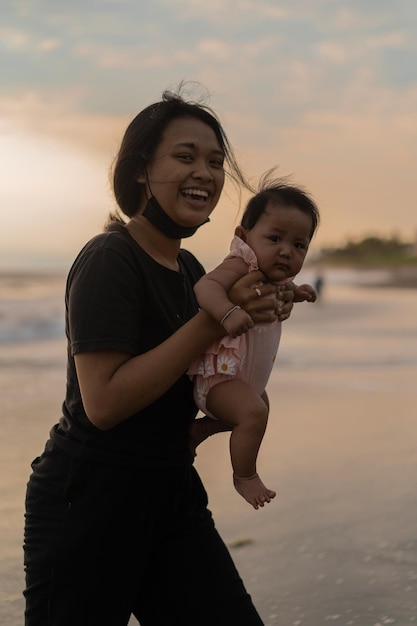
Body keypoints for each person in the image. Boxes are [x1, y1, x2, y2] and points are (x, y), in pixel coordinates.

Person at [23, 87, 297, 626]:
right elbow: (103, 404)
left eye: (216, 162)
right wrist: (212, 318)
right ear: (142, 169)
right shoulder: (111, 259)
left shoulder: (194, 272)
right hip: (89, 504)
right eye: (185, 156)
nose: (206, 173)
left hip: (171, 494)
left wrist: (260, 329)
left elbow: (200, 380)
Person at [188, 177, 320, 510]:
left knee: (261, 407)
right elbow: (205, 288)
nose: (286, 251)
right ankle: (244, 476)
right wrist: (227, 311)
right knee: (253, 413)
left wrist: (299, 292)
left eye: (299, 245)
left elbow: (284, 293)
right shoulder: (240, 264)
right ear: (244, 237)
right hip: (219, 381)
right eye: (275, 238)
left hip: (245, 381)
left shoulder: (277, 275)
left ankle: (201, 431)